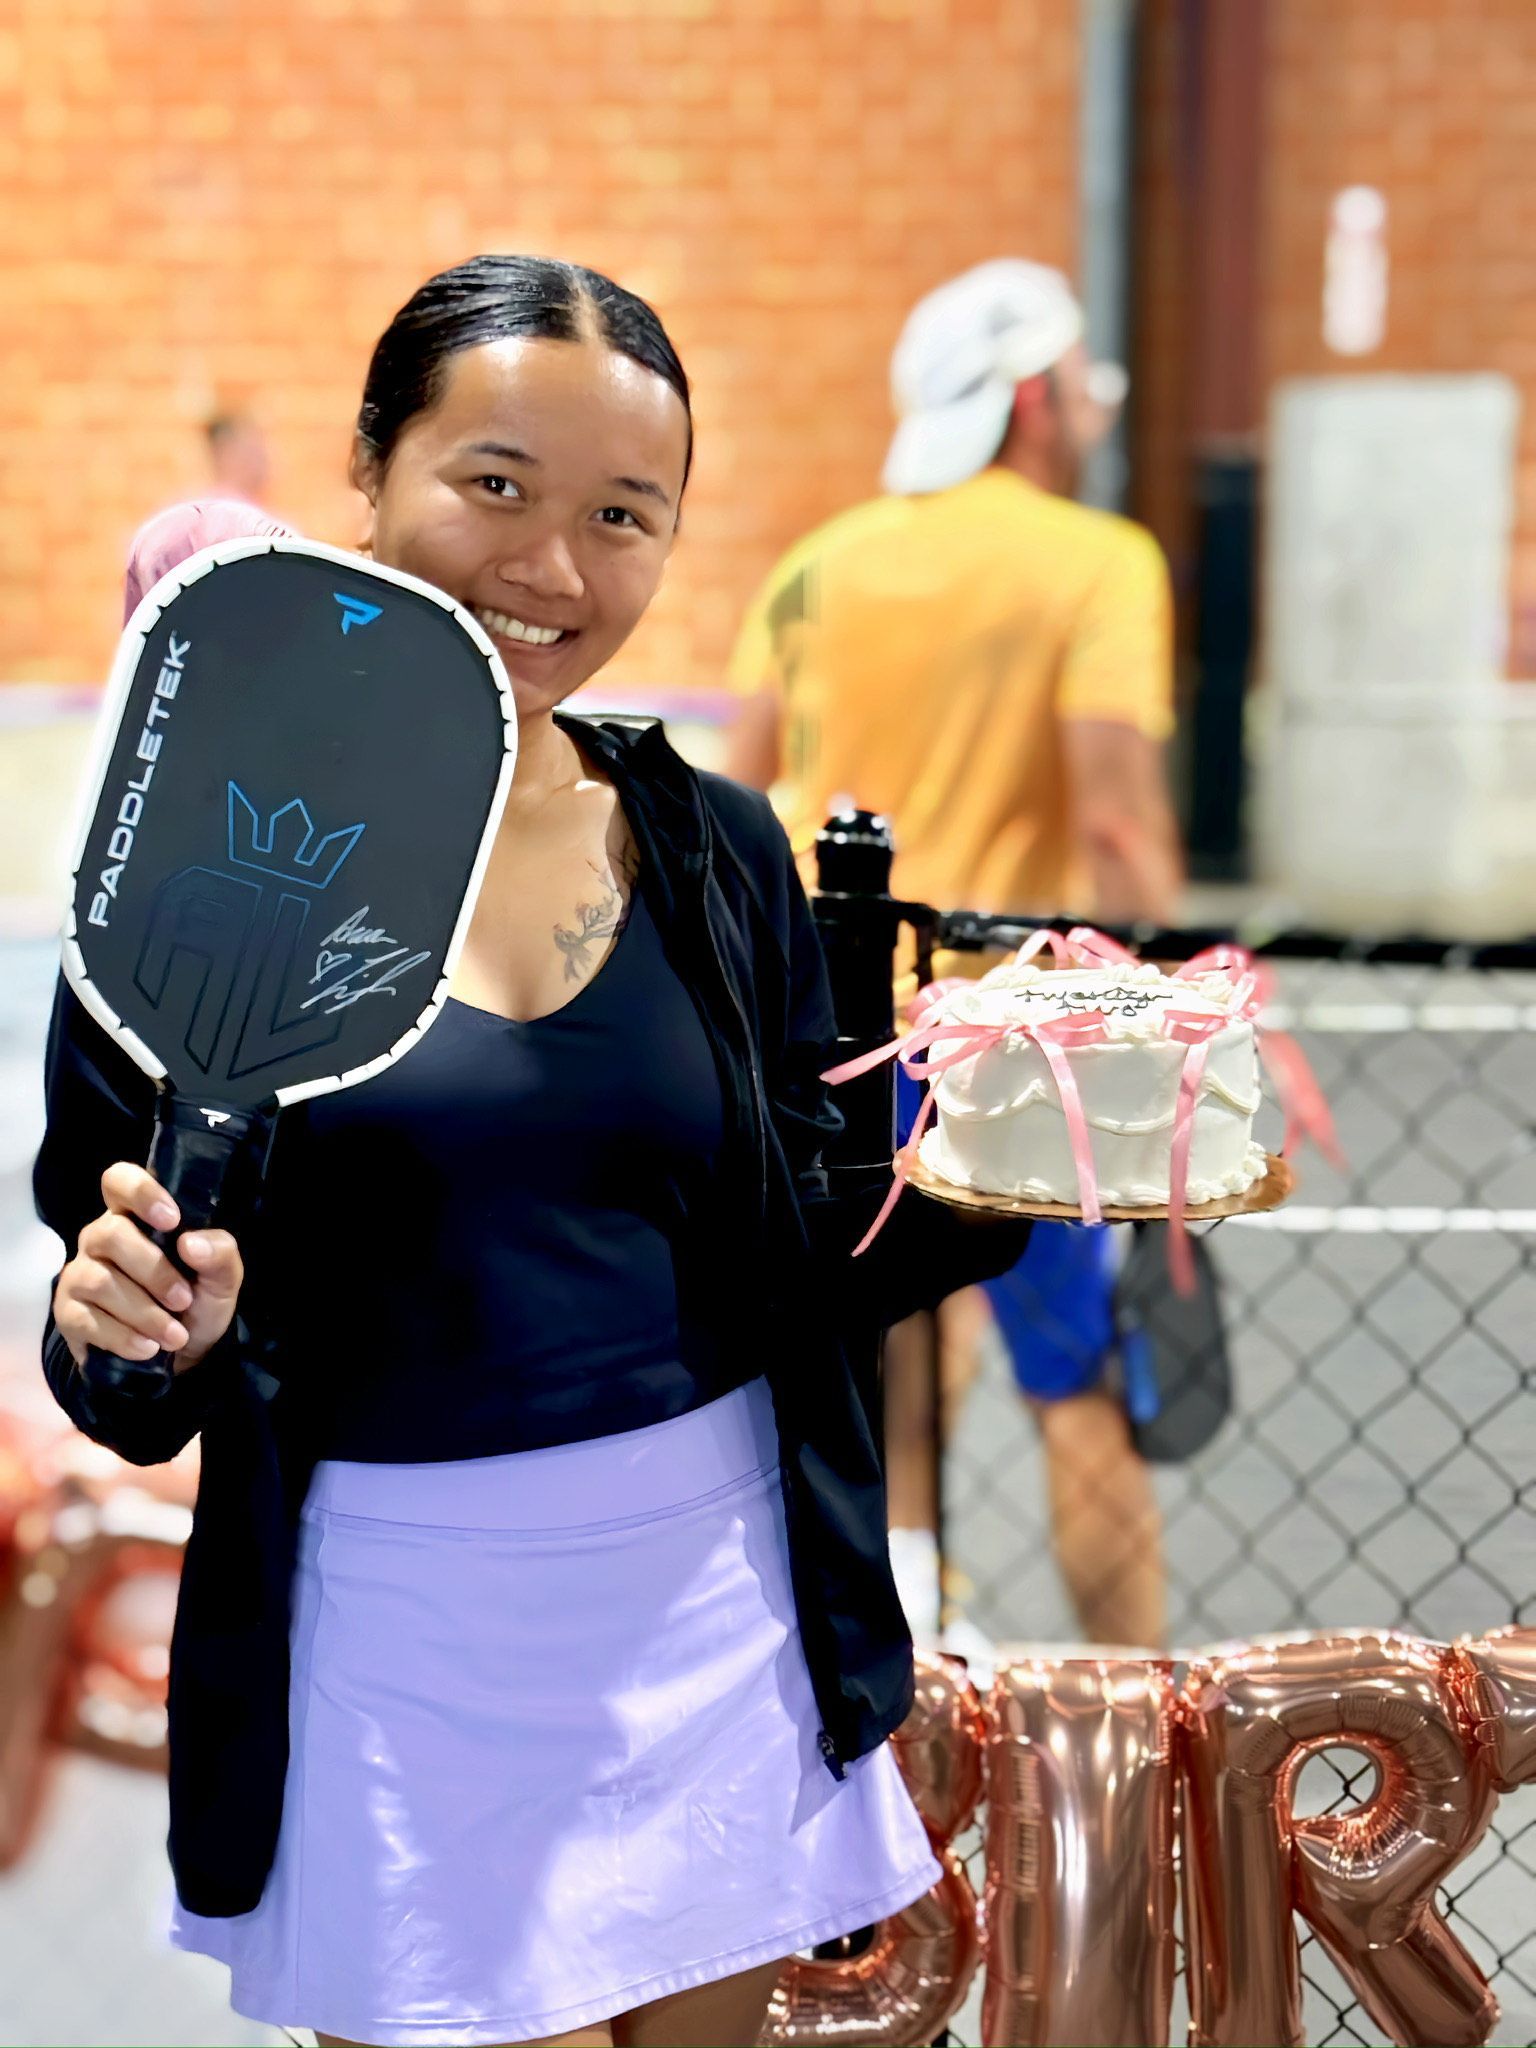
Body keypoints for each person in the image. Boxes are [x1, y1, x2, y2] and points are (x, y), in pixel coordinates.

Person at [36, 255, 1033, 2048]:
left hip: (711, 1604)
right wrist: (129, 1328)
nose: (555, 570)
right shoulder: (204, 849)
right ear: (371, 465)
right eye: (493, 485)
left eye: (622, 516)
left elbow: (806, 1243)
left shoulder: (716, 844)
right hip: (401, 1637)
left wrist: (986, 1161)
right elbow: (124, 1338)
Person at [725, 259, 1181, 1659]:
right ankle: (1137, 1699)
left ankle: (908, 1658)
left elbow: (746, 795)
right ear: (1035, 397)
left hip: (835, 1035)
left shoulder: (814, 566)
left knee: (891, 1364)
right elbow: (1117, 821)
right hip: (1019, 1042)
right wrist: (1171, 1027)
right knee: (1081, 1381)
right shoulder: (1098, 561)